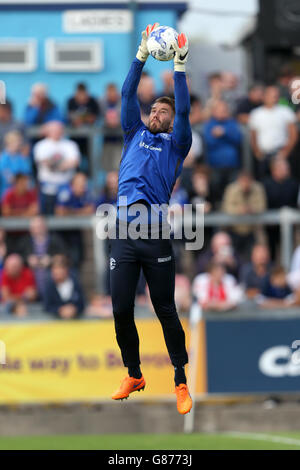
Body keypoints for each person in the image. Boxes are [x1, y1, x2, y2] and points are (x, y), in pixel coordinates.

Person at [109, 23, 193, 415]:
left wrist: (179, 68)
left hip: (156, 231)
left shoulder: (177, 145)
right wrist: (141, 54)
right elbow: (128, 93)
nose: (156, 113)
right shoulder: (132, 133)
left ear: (172, 120)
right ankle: (134, 373)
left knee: (164, 309)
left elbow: (185, 107)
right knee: (121, 307)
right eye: (154, 109)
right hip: (124, 230)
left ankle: (180, 380)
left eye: (164, 110)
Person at [249, 85, 298, 180]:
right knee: (264, 181)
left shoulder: (285, 111)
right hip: (264, 155)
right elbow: (253, 136)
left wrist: (286, 152)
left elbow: (293, 134)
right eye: (272, 95)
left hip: (280, 153)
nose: (275, 98)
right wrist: (257, 152)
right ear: (264, 96)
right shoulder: (256, 114)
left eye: (276, 96)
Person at [33, 121, 80, 214]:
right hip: (47, 186)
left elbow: (74, 162)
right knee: (47, 213)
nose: (57, 132)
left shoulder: (70, 145)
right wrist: (63, 164)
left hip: (66, 185)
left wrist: (54, 164)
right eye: (54, 130)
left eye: (59, 130)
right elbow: (42, 161)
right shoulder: (41, 145)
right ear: (48, 131)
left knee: (67, 213)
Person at [17, 216, 66, 298]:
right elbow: (17, 257)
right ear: (31, 229)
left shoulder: (55, 240)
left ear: (45, 227)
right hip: (31, 280)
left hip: (51, 278)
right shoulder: (24, 242)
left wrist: (51, 260)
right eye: (35, 227)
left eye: (40, 226)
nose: (38, 229)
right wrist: (27, 260)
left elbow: (65, 256)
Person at [222, 171, 267, 259]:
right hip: (235, 229)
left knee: (253, 255)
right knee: (234, 256)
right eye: (243, 182)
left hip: (252, 230)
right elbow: (227, 208)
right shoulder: (231, 189)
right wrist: (239, 210)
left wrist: (252, 209)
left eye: (248, 182)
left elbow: (262, 206)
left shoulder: (258, 188)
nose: (246, 185)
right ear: (239, 181)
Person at [203, 100, 242, 201]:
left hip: (232, 165)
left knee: (233, 188)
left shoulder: (231, 123)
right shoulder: (209, 125)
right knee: (215, 187)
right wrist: (225, 138)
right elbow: (209, 142)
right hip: (215, 166)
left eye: (225, 110)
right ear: (214, 111)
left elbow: (237, 139)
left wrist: (224, 133)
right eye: (220, 110)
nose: (223, 112)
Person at [55, 172, 95, 268]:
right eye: (80, 184)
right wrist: (80, 212)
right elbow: (60, 212)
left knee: (79, 258)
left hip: (77, 232)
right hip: (62, 233)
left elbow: (91, 210)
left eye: (84, 183)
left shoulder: (86, 193)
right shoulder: (65, 192)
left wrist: (70, 211)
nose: (83, 186)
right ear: (73, 185)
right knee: (64, 260)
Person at [263, 158, 299, 260]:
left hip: (290, 224)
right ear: (274, 169)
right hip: (271, 226)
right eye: (284, 167)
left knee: (290, 251)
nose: (287, 169)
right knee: (271, 253)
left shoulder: (293, 184)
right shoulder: (266, 185)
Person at [43, 255, 85, 319]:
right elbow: (47, 307)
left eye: (59, 268)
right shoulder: (49, 286)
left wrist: (74, 309)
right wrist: (60, 310)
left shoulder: (75, 284)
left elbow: (82, 304)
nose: (56, 271)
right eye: (54, 268)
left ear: (66, 269)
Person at [0, 130, 32, 200]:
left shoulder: (22, 157)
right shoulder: (3, 158)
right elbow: (8, 178)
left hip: (21, 195)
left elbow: (27, 174)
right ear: (10, 143)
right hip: (6, 195)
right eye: (17, 141)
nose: (19, 144)